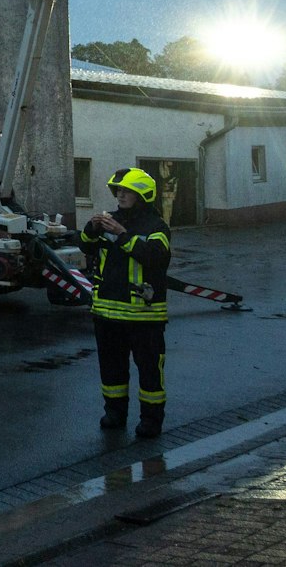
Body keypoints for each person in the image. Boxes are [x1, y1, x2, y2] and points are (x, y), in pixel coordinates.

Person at [81, 166, 171, 438]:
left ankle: (151, 421)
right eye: (118, 190)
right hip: (107, 313)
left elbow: (156, 258)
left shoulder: (157, 227)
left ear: (141, 194)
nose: (119, 195)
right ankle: (115, 413)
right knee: (111, 369)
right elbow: (85, 245)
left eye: (126, 191)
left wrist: (122, 234)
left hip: (144, 317)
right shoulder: (111, 220)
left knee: (149, 373)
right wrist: (92, 228)